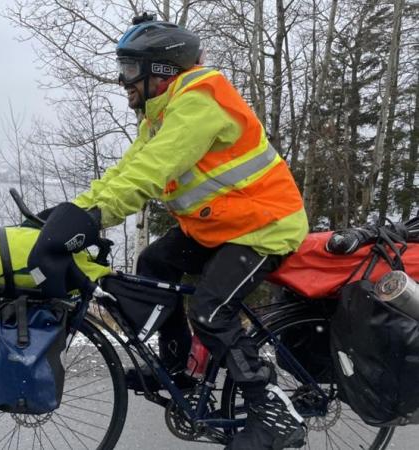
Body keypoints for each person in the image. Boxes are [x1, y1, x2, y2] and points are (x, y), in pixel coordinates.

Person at [69, 15, 310, 450]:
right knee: (153, 264)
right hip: (221, 227)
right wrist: (76, 211)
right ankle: (178, 369)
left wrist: (94, 218)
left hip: (264, 226)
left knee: (211, 310)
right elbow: (125, 173)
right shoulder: (159, 118)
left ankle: (273, 415)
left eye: (128, 69)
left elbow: (152, 171)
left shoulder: (200, 102)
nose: (122, 79)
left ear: (160, 69)